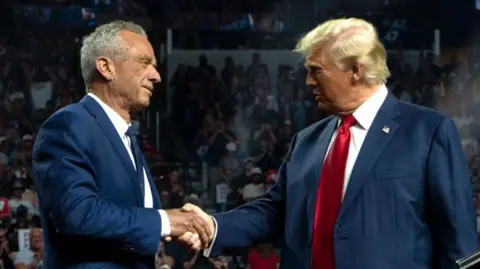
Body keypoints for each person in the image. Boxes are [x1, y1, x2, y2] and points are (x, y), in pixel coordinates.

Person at [184, 18, 479, 269]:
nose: (308, 82)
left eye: (316, 70)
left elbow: (460, 240)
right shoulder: (307, 140)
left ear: (356, 69)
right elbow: (275, 211)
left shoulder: (427, 131)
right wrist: (213, 226)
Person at [32, 21, 211, 269]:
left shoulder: (126, 138)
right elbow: (78, 213)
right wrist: (165, 221)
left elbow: (129, 226)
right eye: (144, 62)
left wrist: (171, 231)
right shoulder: (70, 124)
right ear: (106, 67)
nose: (156, 76)